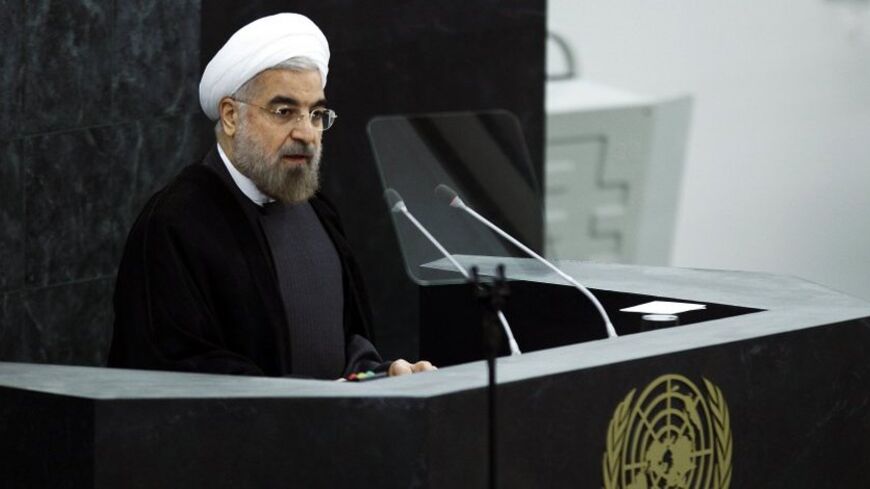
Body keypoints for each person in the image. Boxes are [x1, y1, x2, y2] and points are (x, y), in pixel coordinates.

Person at [108, 13, 434, 379]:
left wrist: (379, 374)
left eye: (316, 114)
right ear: (231, 116)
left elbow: (342, 346)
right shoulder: (175, 223)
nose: (307, 133)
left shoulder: (317, 212)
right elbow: (173, 370)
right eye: (284, 112)